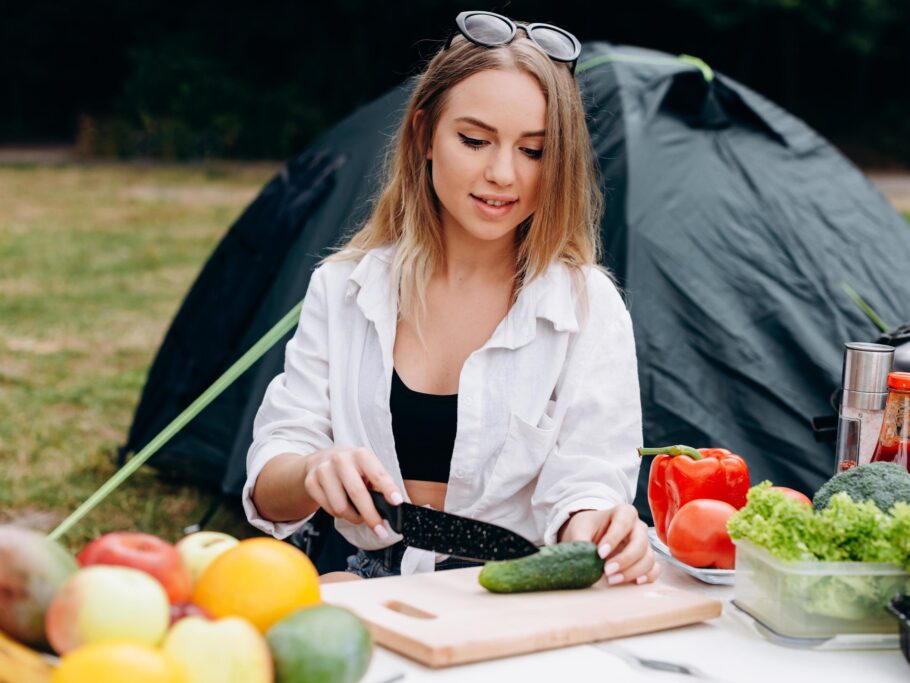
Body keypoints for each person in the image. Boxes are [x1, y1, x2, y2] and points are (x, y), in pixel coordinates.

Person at [243, 10, 658, 584]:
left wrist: (598, 529)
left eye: (534, 151)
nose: (503, 174)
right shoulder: (344, 289)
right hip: (359, 584)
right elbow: (271, 479)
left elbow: (586, 483)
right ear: (424, 136)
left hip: (511, 591)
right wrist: (313, 468)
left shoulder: (587, 307)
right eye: (474, 140)